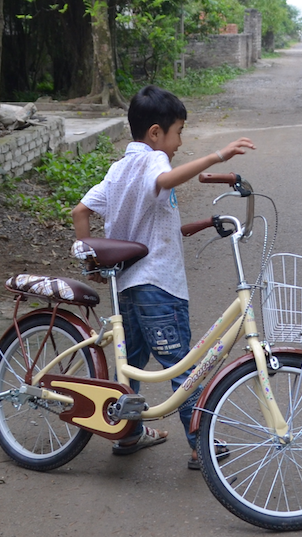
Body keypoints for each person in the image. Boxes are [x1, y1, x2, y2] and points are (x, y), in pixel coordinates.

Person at [72, 85, 255, 468]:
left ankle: (128, 433)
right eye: (178, 132)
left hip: (127, 288)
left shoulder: (119, 169)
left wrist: (93, 260)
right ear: (155, 133)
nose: (179, 142)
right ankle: (199, 444)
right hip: (159, 285)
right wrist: (218, 155)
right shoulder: (154, 162)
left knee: (131, 365)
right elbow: (164, 182)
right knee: (183, 367)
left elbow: (81, 212)